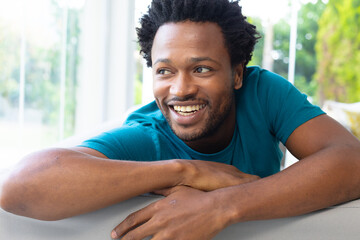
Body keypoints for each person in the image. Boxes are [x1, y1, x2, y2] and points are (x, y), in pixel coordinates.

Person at [1, 0, 360, 239]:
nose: (181, 88)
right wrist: (185, 171)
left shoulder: (261, 92)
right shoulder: (147, 137)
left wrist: (221, 206)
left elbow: (352, 160)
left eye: (201, 68)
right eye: (165, 71)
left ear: (237, 75)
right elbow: (18, 186)